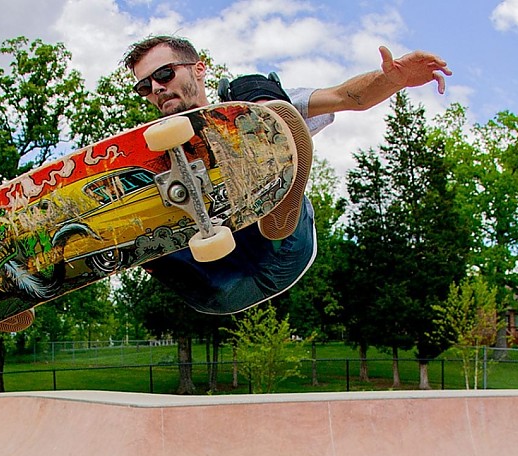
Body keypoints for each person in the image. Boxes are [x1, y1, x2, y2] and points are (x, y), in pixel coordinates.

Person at [123, 36, 450, 315]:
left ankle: (276, 199)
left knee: (247, 103)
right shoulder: (150, 157)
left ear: (198, 68)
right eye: (144, 87)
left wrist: (395, 79)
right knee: (129, 191)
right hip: (216, 287)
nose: (156, 88)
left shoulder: (245, 109)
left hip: (282, 250)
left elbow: (347, 97)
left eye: (164, 74)